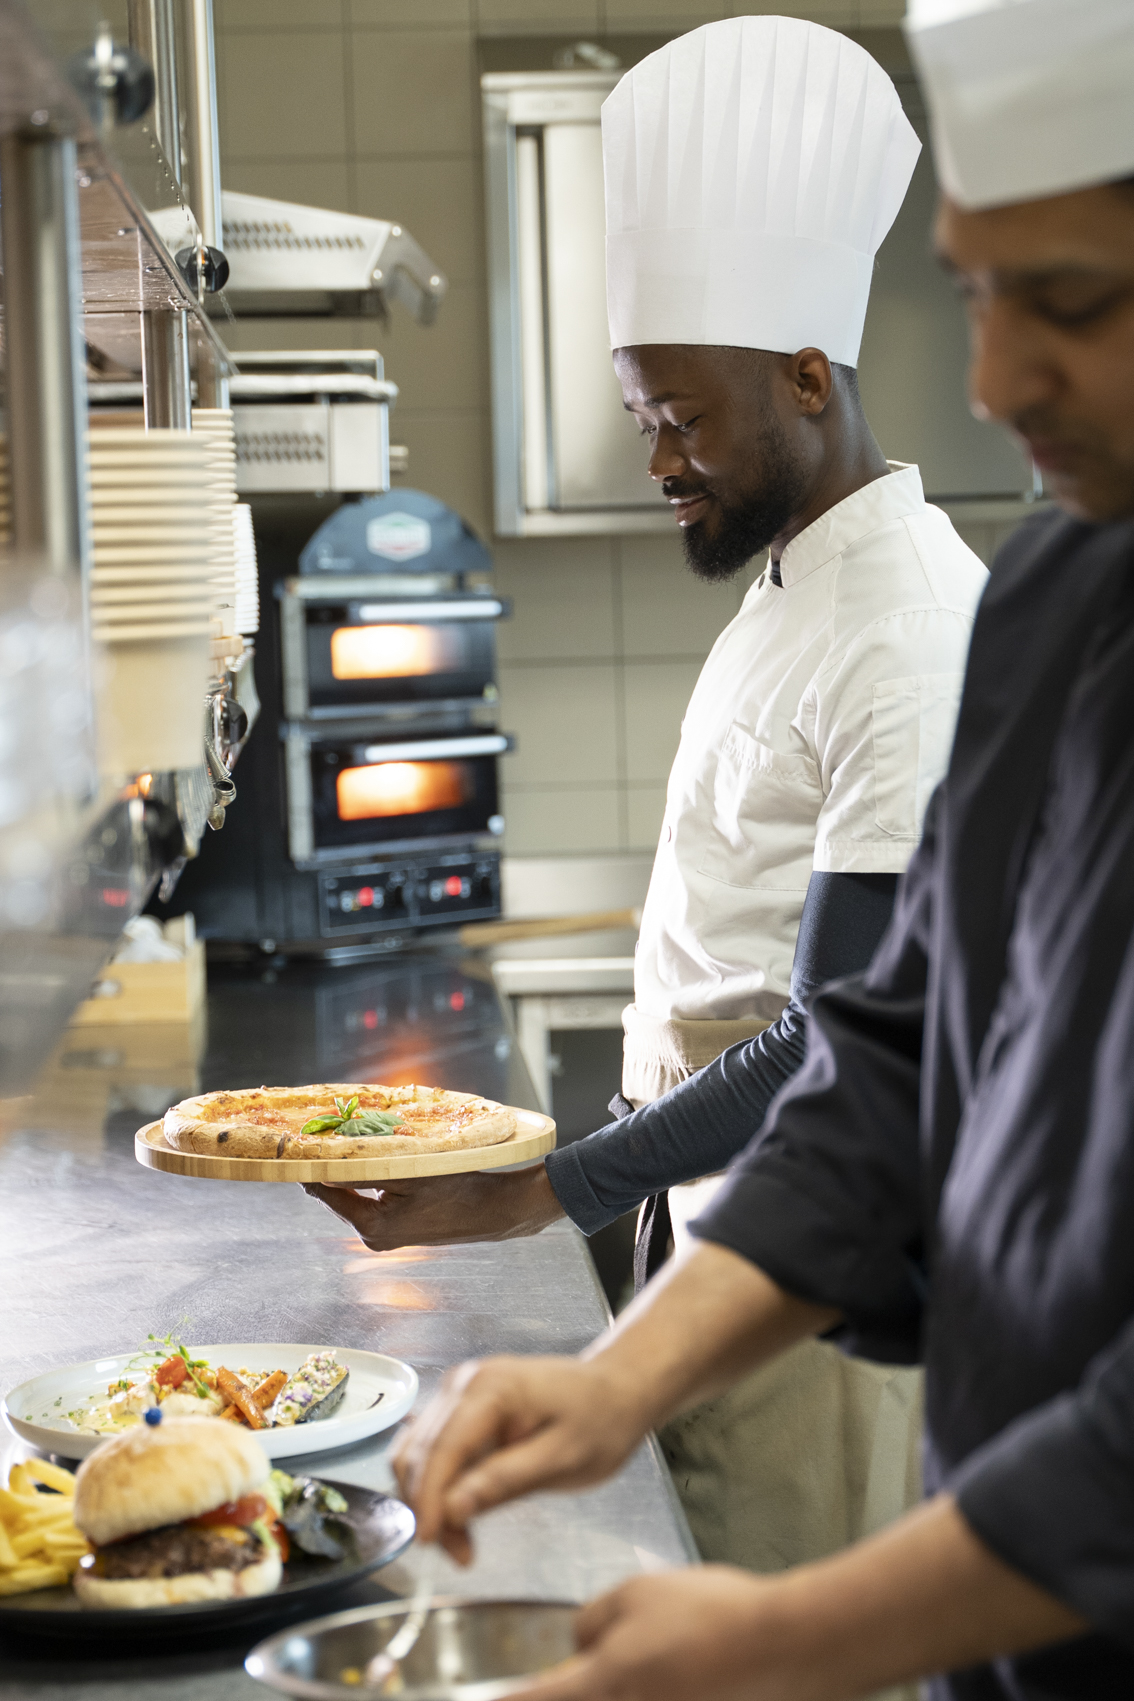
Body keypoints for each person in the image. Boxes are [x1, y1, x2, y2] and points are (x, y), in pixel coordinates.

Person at [386, 1, 1134, 1696]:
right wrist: (617, 1376)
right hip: (997, 1585)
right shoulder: (1057, 598)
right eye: (977, 292)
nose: (997, 377)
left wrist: (791, 1634)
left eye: (1071, 302)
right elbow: (879, 1051)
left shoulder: (927, 619)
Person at [306, 18, 986, 1581]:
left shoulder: (906, 631)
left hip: (810, 1304)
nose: (661, 460)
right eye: (643, 422)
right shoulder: (796, 587)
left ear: (806, 377)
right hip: (716, 1249)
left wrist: (532, 1194)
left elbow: (835, 1030)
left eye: (683, 419)